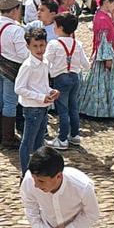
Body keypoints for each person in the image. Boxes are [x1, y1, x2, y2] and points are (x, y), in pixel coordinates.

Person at [20, 146, 100, 228]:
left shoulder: (82, 186)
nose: (36, 185)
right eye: (34, 179)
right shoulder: (29, 181)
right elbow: (30, 205)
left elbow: (92, 214)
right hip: (47, 227)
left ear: (58, 176)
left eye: (41, 181)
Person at [0, 0, 27, 149]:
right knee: (10, 101)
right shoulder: (17, 30)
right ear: (14, 10)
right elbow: (23, 53)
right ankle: (8, 138)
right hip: (12, 68)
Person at [15, 27, 59, 175]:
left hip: (43, 108)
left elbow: (41, 84)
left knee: (39, 142)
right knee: (28, 142)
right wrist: (40, 97)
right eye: (35, 46)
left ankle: (37, 171)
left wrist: (50, 92)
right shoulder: (27, 66)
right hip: (32, 109)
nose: (39, 49)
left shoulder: (44, 61)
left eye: (41, 45)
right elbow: (19, 88)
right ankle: (25, 173)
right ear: (28, 46)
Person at [45, 14, 89, 150]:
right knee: (73, 107)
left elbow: (46, 62)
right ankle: (75, 135)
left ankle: (62, 138)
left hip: (60, 78)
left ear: (60, 27)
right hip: (75, 78)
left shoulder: (54, 44)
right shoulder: (78, 44)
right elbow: (86, 64)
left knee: (62, 110)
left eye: (55, 25)